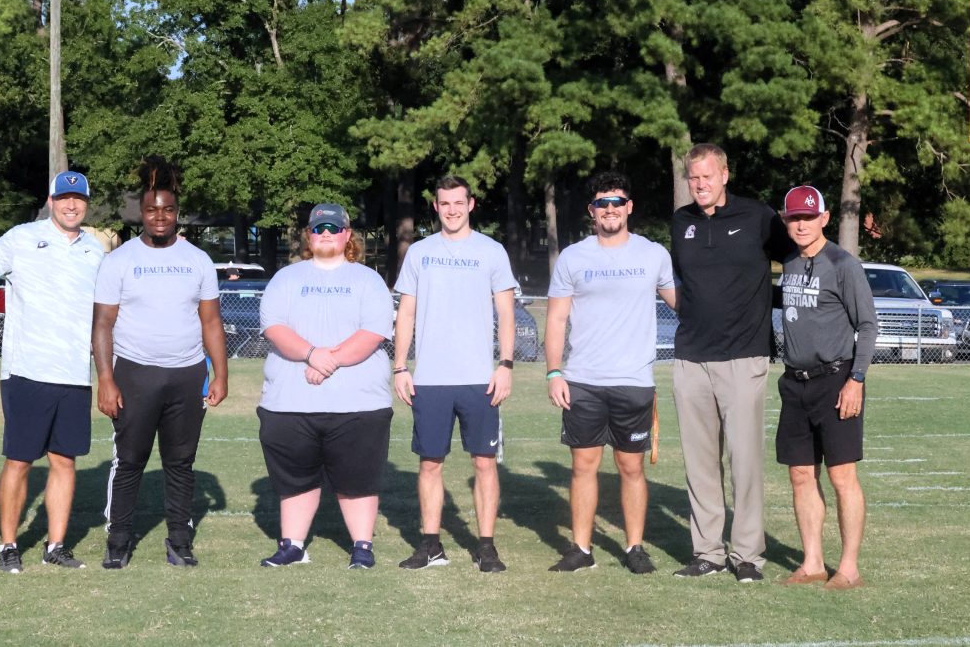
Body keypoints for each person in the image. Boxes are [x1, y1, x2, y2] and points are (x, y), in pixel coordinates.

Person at [92, 156, 228, 569]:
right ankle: (118, 541)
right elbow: (102, 324)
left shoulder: (198, 260)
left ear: (177, 211)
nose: (160, 217)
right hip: (134, 373)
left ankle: (180, 541)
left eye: (167, 209)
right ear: (141, 212)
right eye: (152, 209)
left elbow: (211, 321)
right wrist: (106, 379)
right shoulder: (118, 261)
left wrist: (219, 373)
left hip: (187, 375)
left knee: (180, 463)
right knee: (130, 461)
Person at [669, 143, 794, 582]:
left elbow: (796, 257)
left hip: (744, 357)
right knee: (700, 464)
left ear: (725, 174)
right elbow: (680, 285)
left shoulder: (757, 217)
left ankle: (746, 556)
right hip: (690, 359)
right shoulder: (681, 222)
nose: (699, 184)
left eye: (707, 176)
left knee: (744, 462)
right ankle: (707, 552)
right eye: (693, 177)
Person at [544, 171, 676, 574]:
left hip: (634, 381)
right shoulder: (573, 257)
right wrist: (554, 372)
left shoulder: (653, 254)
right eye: (603, 203)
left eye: (618, 201)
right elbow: (556, 319)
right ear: (592, 211)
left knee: (631, 467)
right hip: (583, 380)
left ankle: (634, 547)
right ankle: (581, 549)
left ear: (629, 207)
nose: (611, 209)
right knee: (583, 466)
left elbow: (684, 303)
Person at [256, 204, 394, 569]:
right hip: (290, 403)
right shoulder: (285, 279)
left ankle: (362, 547)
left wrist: (327, 361)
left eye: (335, 228)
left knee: (358, 479)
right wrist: (312, 353)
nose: (327, 234)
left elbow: (373, 332)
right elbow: (274, 327)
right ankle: (293, 546)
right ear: (309, 235)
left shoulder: (368, 280)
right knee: (296, 478)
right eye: (319, 229)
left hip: (358, 404)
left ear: (348, 235)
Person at [393, 175, 517, 573]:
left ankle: (486, 546)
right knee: (430, 463)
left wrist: (506, 365)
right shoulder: (419, 253)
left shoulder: (491, 251)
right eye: (444, 203)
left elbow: (506, 314)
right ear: (436, 206)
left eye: (458, 203)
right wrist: (400, 366)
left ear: (471, 204)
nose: (452, 209)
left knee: (484, 462)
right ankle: (431, 545)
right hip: (430, 378)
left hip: (480, 378)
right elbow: (406, 313)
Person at [0, 171, 105, 573]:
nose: (71, 205)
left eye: (79, 199)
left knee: (64, 461)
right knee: (20, 460)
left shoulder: (96, 250)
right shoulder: (21, 237)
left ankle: (56, 545)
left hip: (75, 374)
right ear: (50, 199)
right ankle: (8, 545)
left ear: (87, 203)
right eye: (64, 198)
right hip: (27, 371)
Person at [775, 186, 876, 590]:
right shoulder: (788, 264)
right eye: (793, 217)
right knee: (800, 474)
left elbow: (867, 326)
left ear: (824, 218)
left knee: (841, 476)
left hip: (837, 379)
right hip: (794, 383)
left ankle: (848, 567)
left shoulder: (843, 264)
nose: (800, 224)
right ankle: (813, 562)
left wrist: (856, 380)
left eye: (808, 216)